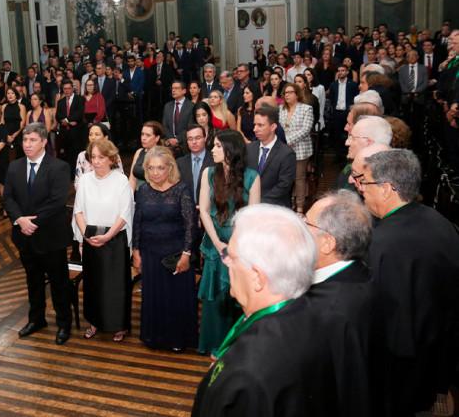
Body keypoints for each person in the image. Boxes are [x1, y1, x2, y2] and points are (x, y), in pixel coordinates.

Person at [192, 205, 329, 417]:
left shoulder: (248, 375)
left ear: (257, 277)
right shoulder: (313, 318)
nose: (226, 262)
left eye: (231, 256)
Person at [357, 149, 459, 416]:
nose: (361, 190)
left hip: (396, 366)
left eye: (365, 182)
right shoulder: (442, 223)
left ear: (387, 189)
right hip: (438, 353)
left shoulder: (381, 243)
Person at [303, 190, 374, 417]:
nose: (300, 231)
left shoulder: (326, 310)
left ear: (327, 243)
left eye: (306, 224)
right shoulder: (361, 274)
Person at [3, 123, 72, 345]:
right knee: (33, 281)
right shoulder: (14, 167)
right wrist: (20, 220)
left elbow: (57, 201)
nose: (27, 145)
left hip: (50, 236)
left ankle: (64, 323)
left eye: (32, 140)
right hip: (24, 236)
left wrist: (32, 222)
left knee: (59, 283)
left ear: (44, 142)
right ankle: (37, 319)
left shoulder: (59, 167)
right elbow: (9, 198)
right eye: (25, 140)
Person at [197, 130, 260, 355]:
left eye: (216, 146)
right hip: (215, 245)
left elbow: (253, 217)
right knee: (214, 299)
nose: (212, 150)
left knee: (236, 298)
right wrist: (217, 243)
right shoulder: (208, 174)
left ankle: (234, 347)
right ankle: (213, 344)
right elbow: (204, 211)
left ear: (230, 150)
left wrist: (233, 246)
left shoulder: (252, 177)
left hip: (240, 246)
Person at [132, 146, 197, 352]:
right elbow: (137, 222)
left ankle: (178, 339)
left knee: (176, 298)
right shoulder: (143, 191)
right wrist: (136, 250)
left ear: (170, 168)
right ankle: (154, 337)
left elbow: (190, 225)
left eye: (160, 168)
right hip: (150, 253)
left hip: (175, 254)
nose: (155, 172)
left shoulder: (181, 189)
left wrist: (186, 254)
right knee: (154, 297)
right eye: (150, 168)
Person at [73, 139, 134, 342]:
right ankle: (94, 321)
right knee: (93, 284)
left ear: (111, 158)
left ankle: (119, 325)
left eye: (101, 157)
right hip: (91, 237)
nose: (96, 161)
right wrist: (86, 236)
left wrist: (108, 236)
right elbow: (78, 211)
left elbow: (125, 214)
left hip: (114, 238)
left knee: (116, 285)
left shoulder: (121, 181)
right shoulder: (85, 180)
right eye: (93, 157)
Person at [246, 104, 296, 207]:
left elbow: (284, 186)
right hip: (249, 205)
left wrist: (259, 202)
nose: (255, 129)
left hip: (275, 208)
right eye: (255, 125)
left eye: (260, 125)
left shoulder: (286, 154)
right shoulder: (249, 149)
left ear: (273, 127)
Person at [279, 83, 314, 213]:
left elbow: (306, 129)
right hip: (284, 150)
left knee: (299, 178)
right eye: (285, 93)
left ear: (297, 94)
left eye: (289, 92)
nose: (286, 95)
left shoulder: (306, 108)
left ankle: (299, 208)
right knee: (285, 177)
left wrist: (287, 140)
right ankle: (288, 203)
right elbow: (279, 128)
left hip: (300, 149)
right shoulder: (281, 109)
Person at [74, 123, 123, 190]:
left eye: (97, 134)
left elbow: (120, 179)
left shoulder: (113, 155)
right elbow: (77, 183)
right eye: (90, 134)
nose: (93, 137)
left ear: (106, 138)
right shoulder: (82, 156)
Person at [176, 124, 214, 204]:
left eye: (198, 138)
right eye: (190, 139)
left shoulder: (215, 160)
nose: (194, 142)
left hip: (210, 208)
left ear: (205, 138)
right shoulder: (180, 163)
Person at [55, 80, 85, 175]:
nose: (67, 90)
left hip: (77, 132)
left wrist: (66, 120)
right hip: (65, 133)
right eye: (65, 89)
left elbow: (79, 113)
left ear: (72, 88)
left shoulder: (80, 99)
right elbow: (58, 116)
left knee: (76, 154)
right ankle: (69, 174)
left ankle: (78, 173)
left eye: (69, 88)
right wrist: (65, 122)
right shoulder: (60, 102)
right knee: (66, 154)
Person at [128, 121, 164, 191]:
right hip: (137, 194)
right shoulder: (139, 152)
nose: (143, 138)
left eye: (148, 135)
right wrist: (130, 197)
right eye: (142, 134)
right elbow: (132, 179)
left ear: (157, 138)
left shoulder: (162, 155)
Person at [162, 81, 194, 154]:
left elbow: (190, 127)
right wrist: (170, 139)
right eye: (172, 88)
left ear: (184, 91)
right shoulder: (167, 106)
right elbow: (165, 125)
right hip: (169, 145)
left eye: (176, 88)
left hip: (185, 145)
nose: (173, 90)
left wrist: (177, 140)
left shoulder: (191, 106)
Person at [1, 87, 27, 160]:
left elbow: (22, 124)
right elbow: (2, 123)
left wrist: (13, 136)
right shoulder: (4, 106)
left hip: (18, 135)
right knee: (6, 158)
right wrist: (7, 135)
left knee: (18, 158)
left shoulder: (21, 107)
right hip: (6, 135)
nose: (10, 95)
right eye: (8, 93)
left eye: (12, 93)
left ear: (16, 95)